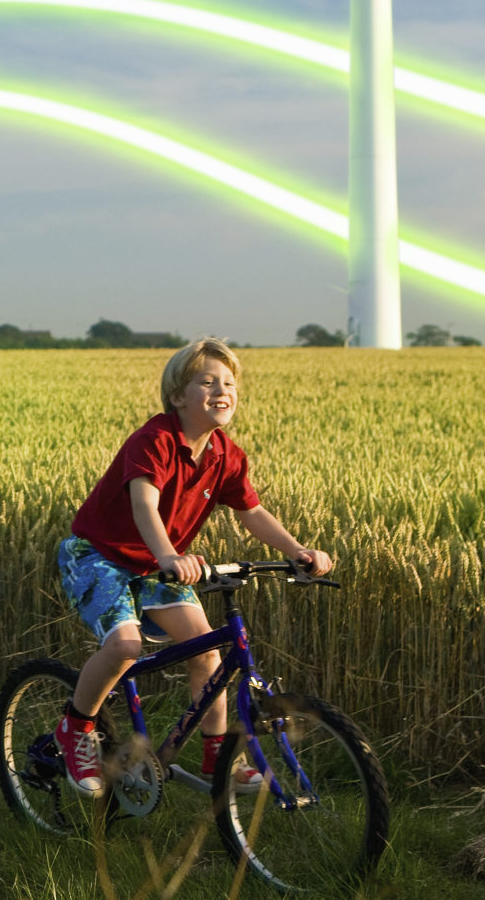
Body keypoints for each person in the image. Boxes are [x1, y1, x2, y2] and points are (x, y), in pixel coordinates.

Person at [50, 338, 332, 798]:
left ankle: (217, 759)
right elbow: (145, 503)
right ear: (178, 396)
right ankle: (76, 728)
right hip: (100, 554)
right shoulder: (154, 440)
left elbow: (252, 512)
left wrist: (298, 551)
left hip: (158, 564)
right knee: (125, 645)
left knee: (206, 652)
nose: (222, 389)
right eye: (207, 381)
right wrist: (168, 556)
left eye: (229, 382)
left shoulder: (227, 455)